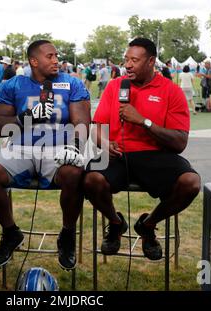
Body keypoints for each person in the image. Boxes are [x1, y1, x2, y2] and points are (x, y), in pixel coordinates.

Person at [83, 38, 200, 260]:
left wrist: (143, 121)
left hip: (155, 155)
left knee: (191, 183)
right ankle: (116, 224)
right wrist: (105, 143)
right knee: (90, 180)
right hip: (118, 154)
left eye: (134, 60)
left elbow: (179, 142)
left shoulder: (170, 91)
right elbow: (96, 128)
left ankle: (148, 225)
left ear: (151, 62)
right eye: (126, 59)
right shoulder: (115, 86)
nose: (127, 65)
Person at [0, 40, 91, 270]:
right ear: (34, 61)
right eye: (50, 56)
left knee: (74, 173)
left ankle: (67, 234)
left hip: (58, 149)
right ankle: (10, 232)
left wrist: (76, 146)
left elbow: (81, 122)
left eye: (56, 55)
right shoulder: (13, 85)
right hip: (21, 149)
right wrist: (25, 118)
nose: (56, 60)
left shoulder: (71, 84)